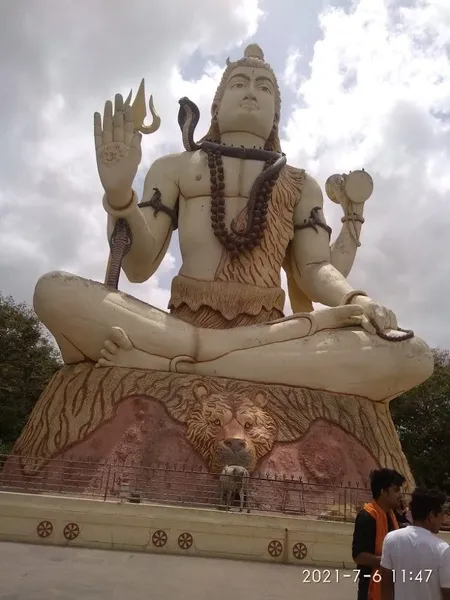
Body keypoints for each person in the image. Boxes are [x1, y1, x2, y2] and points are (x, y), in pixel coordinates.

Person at [31, 43, 433, 403]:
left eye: (264, 88)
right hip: (181, 328)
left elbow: (314, 269)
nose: (251, 92)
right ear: (217, 104)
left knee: (413, 355)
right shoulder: (175, 168)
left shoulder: (300, 183)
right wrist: (119, 194)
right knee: (52, 290)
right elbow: (137, 266)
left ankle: (178, 366)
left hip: (273, 334)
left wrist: (355, 301)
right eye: (240, 83)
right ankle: (223, 361)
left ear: (276, 112)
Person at [380, 487, 450, 600]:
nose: (443, 519)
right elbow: (447, 593)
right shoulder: (443, 550)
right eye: (442, 514)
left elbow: (386, 584)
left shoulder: (391, 539)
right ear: (431, 516)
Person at [352, 468, 406, 600]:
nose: (400, 495)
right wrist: (388, 562)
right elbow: (359, 556)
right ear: (384, 492)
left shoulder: (392, 515)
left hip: (391, 588)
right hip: (371, 589)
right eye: (396, 490)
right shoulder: (367, 516)